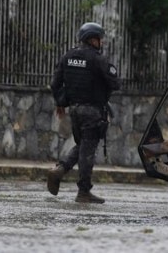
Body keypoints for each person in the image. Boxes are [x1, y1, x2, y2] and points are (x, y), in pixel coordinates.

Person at [47, 22, 120, 204]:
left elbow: (55, 84)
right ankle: (83, 191)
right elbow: (115, 83)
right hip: (93, 111)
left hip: (75, 110)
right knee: (88, 150)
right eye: (99, 39)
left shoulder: (68, 56)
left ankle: (60, 170)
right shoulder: (97, 59)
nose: (101, 42)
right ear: (92, 39)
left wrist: (61, 103)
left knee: (83, 146)